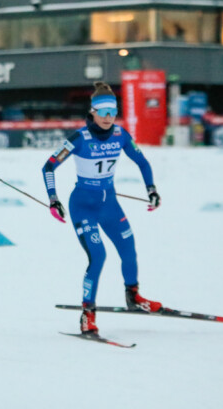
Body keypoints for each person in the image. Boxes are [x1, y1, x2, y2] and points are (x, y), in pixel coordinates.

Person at [41, 82, 162, 335]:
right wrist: (53, 199)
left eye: (113, 112)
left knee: (129, 250)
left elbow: (142, 161)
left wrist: (151, 189)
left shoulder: (120, 135)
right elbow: (49, 166)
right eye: (103, 111)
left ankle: (134, 297)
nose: (108, 117)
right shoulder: (79, 138)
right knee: (98, 257)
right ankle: (87, 315)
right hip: (83, 206)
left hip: (110, 204)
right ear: (93, 112)